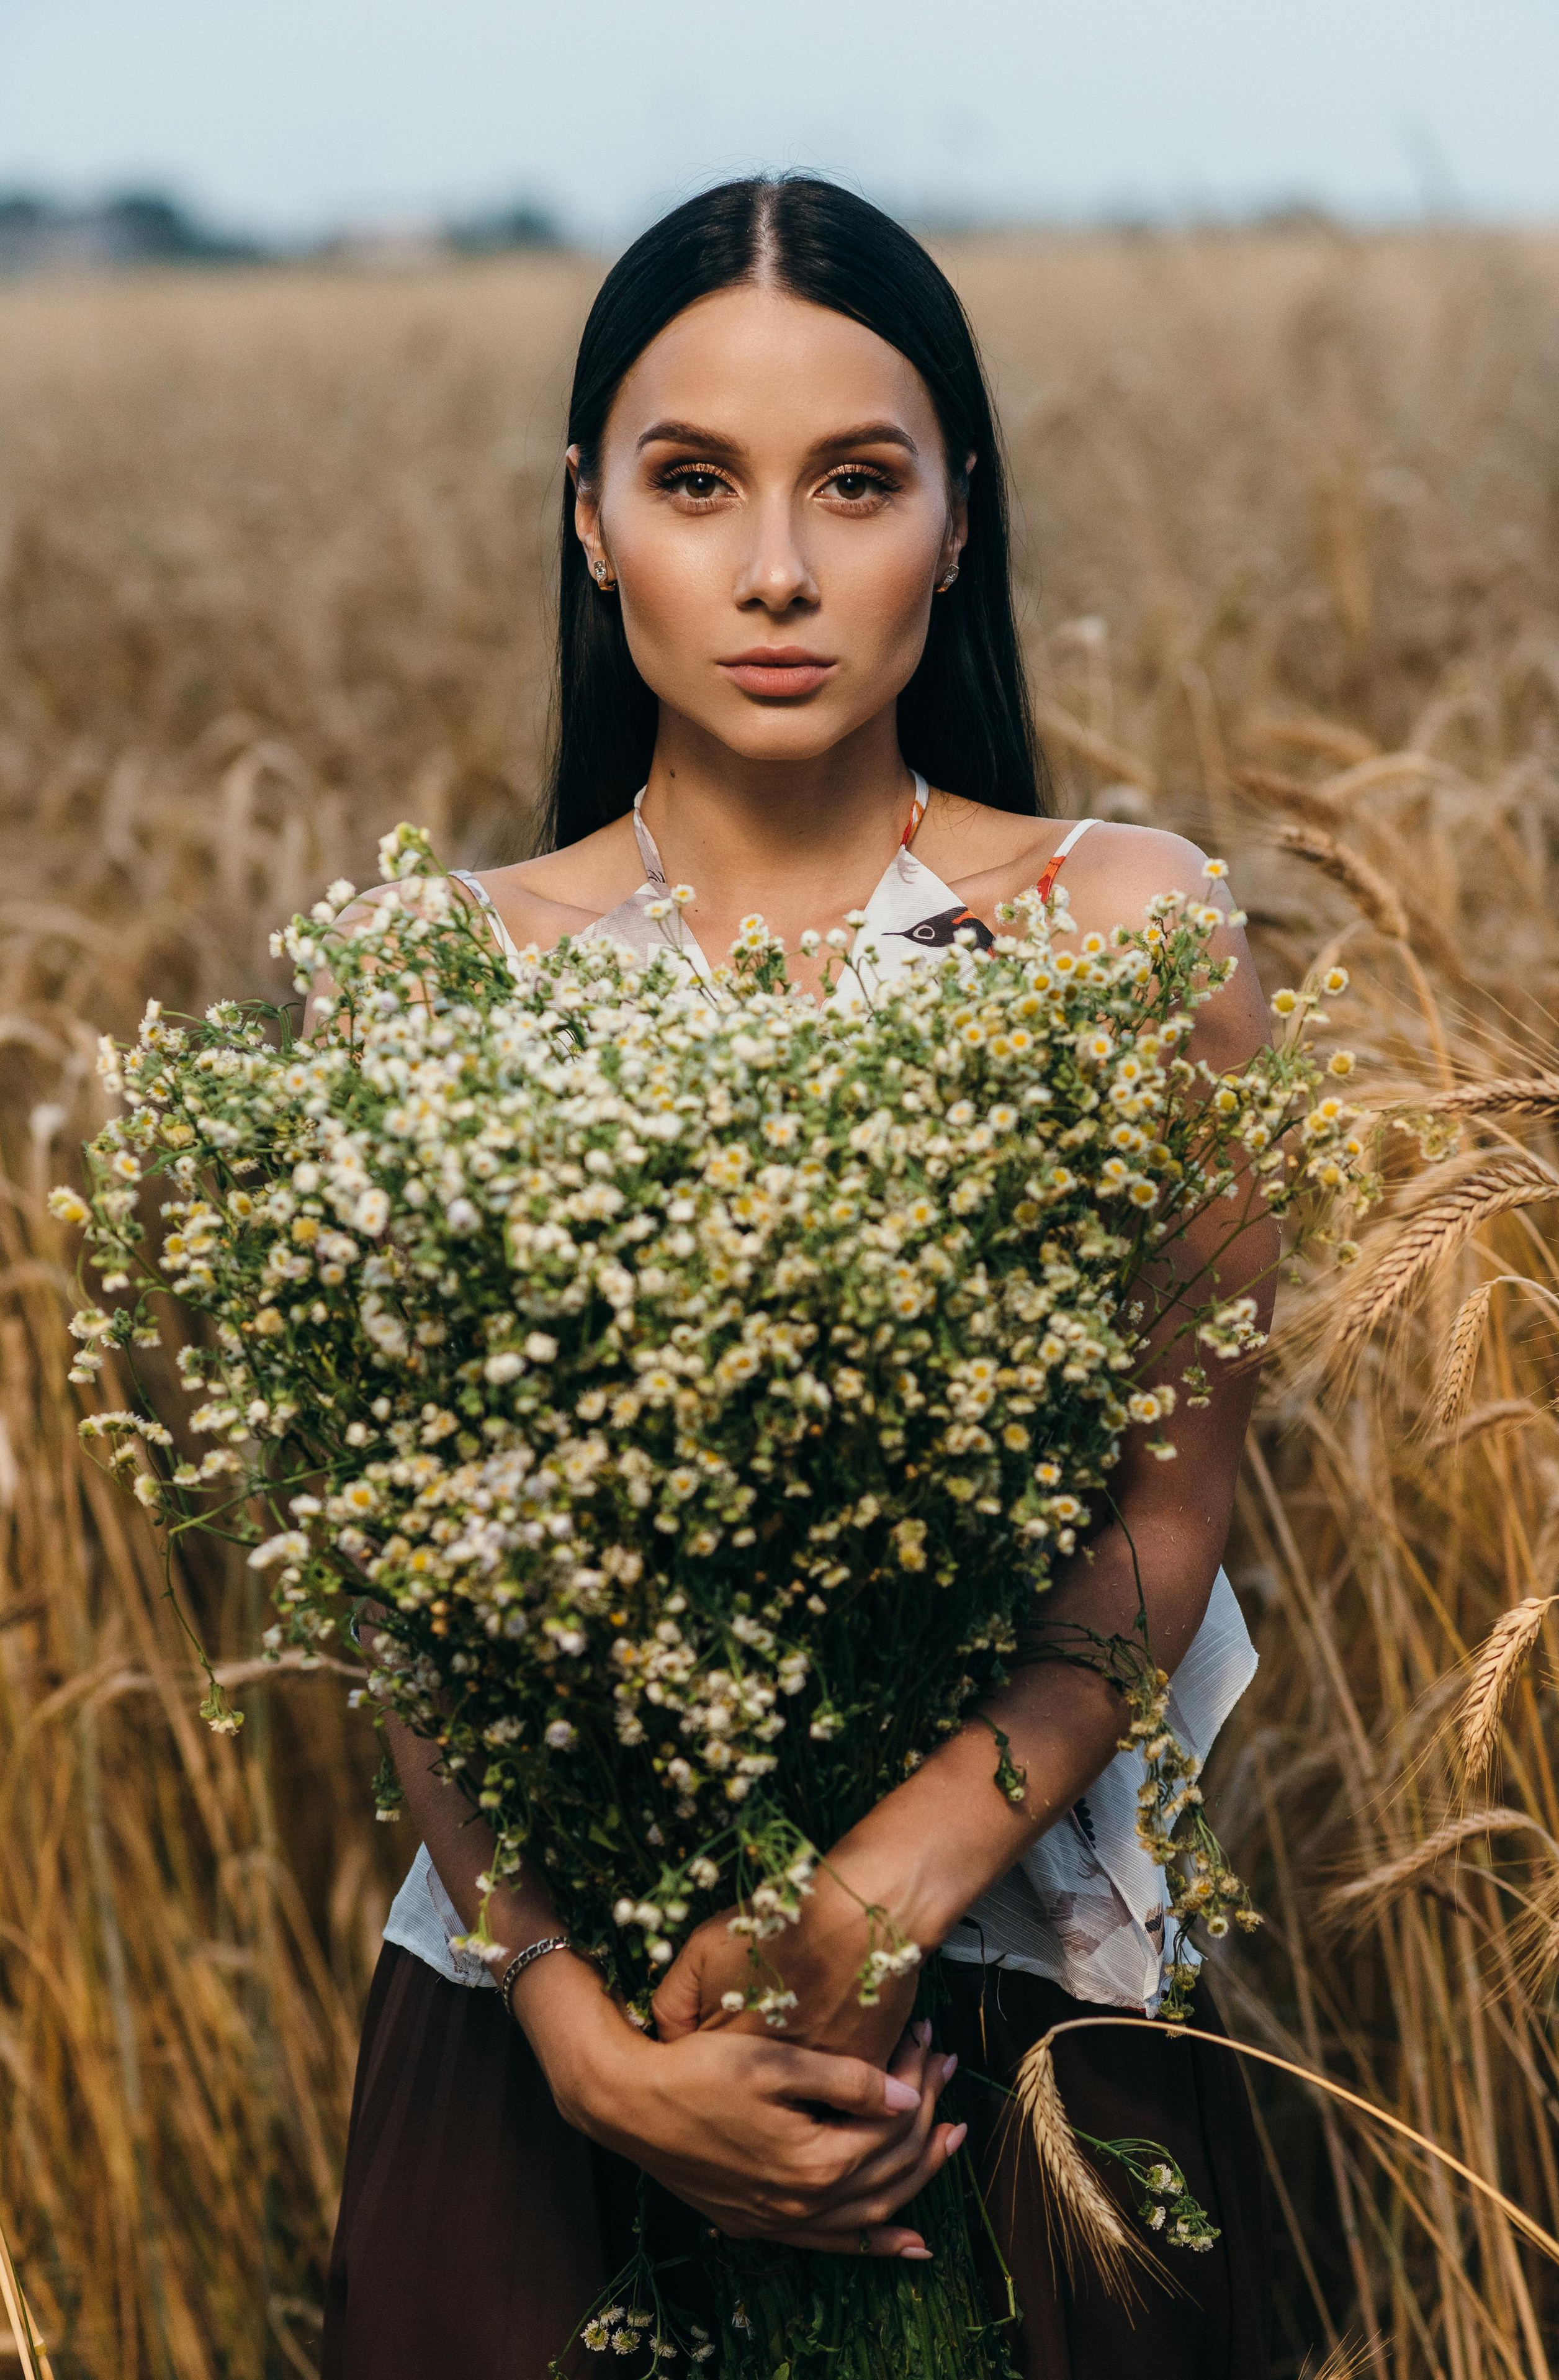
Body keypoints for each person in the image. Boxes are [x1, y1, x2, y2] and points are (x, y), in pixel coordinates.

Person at [320, 174, 1273, 2380]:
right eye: (692, 484)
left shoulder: (1127, 932)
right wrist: (577, 2028)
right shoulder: (426, 978)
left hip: (1014, 2026)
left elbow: (1166, 1504)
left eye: (856, 483)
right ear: (587, 519)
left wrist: (873, 1896)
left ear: (959, 517)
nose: (773, 568)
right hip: (541, 2049)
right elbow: (408, 1601)